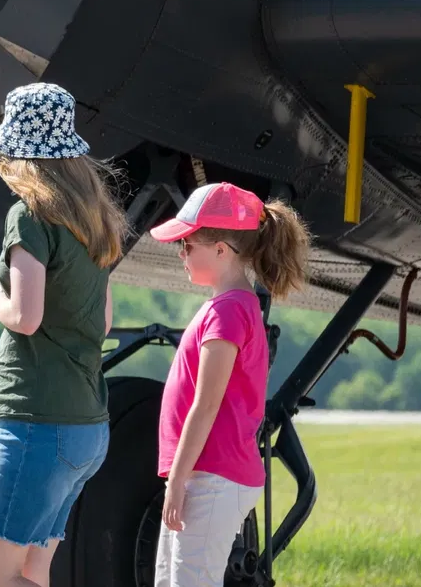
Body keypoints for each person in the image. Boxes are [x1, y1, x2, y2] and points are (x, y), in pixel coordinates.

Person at [0, 82, 126, 587]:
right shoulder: (97, 220)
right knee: (32, 576)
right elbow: (102, 322)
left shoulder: (30, 217)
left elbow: (27, 317)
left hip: (38, 420)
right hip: (87, 426)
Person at [149, 182, 311, 587]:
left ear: (221, 249)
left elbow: (205, 406)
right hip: (206, 475)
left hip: (211, 478)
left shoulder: (227, 313)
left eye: (188, 244)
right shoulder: (229, 306)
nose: (181, 253)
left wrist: (177, 481)